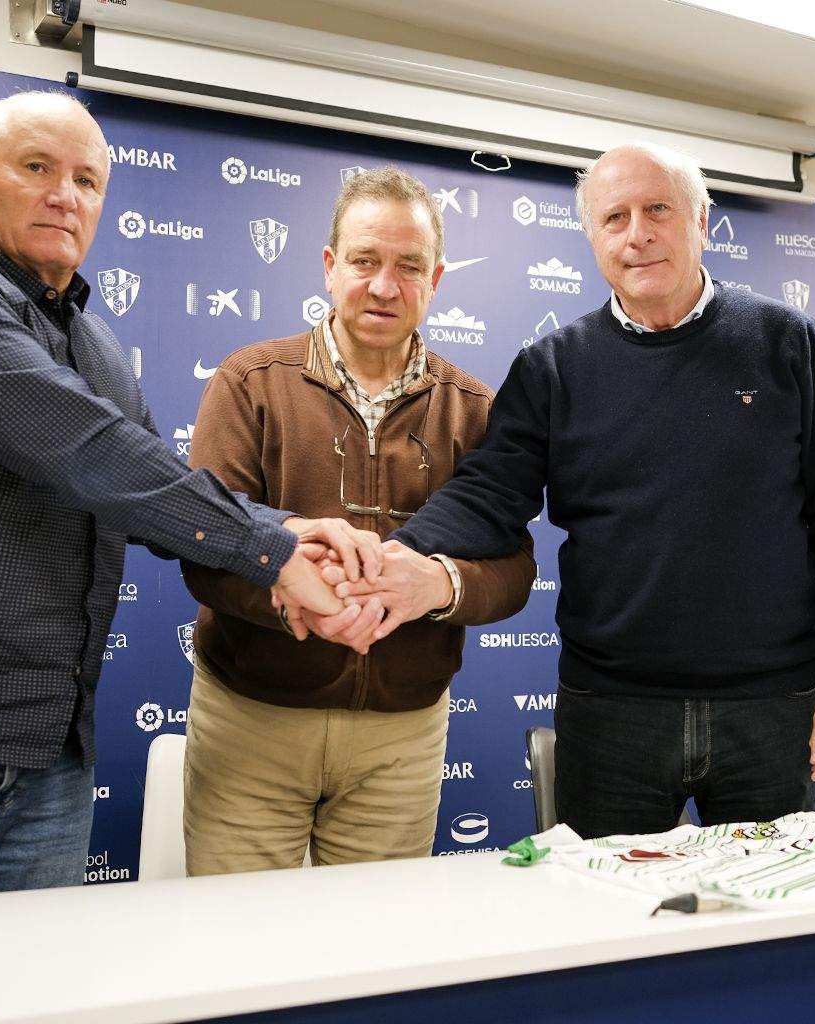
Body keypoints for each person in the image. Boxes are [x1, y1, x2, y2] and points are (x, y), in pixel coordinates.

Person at [0, 91, 374, 1023]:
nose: (65, 196)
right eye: (36, 169)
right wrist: (271, 548)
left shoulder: (98, 342)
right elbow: (85, 450)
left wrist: (284, 538)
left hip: (45, 759)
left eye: (87, 180)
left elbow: (148, 482)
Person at [386, 142, 815, 839]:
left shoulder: (785, 343)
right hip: (612, 715)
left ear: (701, 220)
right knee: (609, 925)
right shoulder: (551, 369)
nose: (637, 234)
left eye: (657, 209)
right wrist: (397, 555)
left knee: (763, 927)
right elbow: (489, 494)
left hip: (771, 710)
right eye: (614, 217)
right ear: (592, 237)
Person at [181, 167, 534, 874]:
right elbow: (203, 543)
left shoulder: (475, 409)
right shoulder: (249, 382)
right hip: (253, 723)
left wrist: (434, 586)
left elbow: (515, 569)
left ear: (434, 279)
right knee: (239, 951)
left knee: (376, 954)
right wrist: (294, 599)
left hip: (401, 741)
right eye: (365, 261)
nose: (383, 286)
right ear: (329, 265)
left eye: (408, 267)